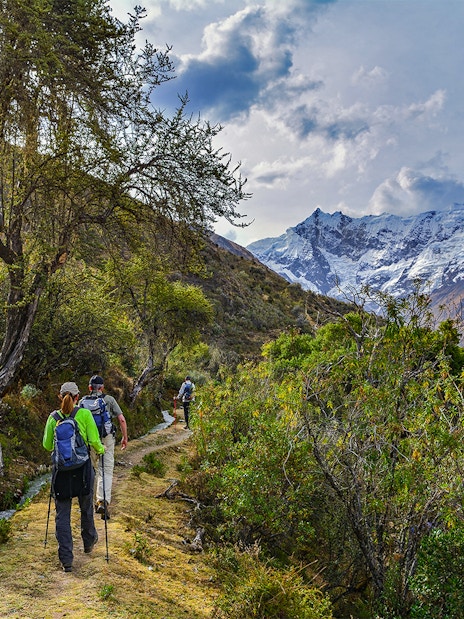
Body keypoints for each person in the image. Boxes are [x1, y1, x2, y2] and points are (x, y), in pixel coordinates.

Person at [43, 381, 105, 572]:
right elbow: (94, 441)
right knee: (86, 507)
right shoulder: (84, 414)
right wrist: (102, 450)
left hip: (61, 473)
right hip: (83, 470)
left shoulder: (53, 418)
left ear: (60, 397)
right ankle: (88, 542)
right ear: (78, 397)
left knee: (63, 515)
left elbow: (47, 445)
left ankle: (66, 560)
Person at [80, 375, 128, 520]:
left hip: (90, 440)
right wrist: (125, 437)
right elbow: (121, 419)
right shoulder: (109, 400)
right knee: (105, 469)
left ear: (89, 388)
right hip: (106, 438)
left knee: (92, 470)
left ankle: (92, 502)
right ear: (102, 388)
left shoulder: (82, 401)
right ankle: (102, 501)